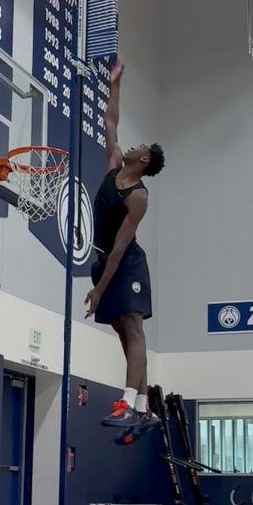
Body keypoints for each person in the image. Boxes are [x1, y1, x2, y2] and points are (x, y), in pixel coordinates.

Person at [85, 60, 165, 441]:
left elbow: (120, 245)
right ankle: (144, 407)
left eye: (140, 147)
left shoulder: (138, 196)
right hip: (104, 259)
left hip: (126, 262)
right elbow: (110, 122)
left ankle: (129, 402)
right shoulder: (115, 164)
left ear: (144, 160)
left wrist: (100, 288)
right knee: (120, 329)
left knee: (132, 327)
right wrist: (115, 85)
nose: (132, 145)